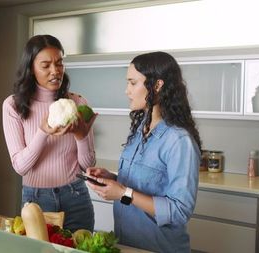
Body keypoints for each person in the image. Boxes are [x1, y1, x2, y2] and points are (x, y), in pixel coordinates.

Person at [86, 51, 201, 252]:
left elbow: (179, 211)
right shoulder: (141, 129)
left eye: (132, 83)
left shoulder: (179, 141)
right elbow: (147, 184)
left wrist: (123, 192)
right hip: (128, 243)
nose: (126, 90)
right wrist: (113, 179)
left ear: (157, 85)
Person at [2, 34, 97, 232]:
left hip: (76, 196)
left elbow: (88, 165)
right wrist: (43, 132)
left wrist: (81, 136)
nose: (55, 71)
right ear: (31, 69)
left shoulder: (78, 103)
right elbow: (20, 167)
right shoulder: (13, 106)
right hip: (36, 200)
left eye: (59, 63)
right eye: (46, 65)